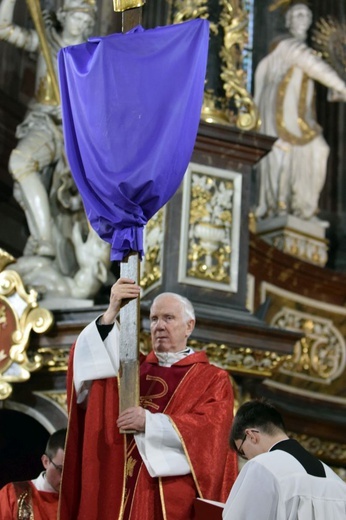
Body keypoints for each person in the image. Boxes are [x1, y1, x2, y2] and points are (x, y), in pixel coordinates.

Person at [59, 277, 237, 520]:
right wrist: (111, 311)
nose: (159, 326)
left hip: (169, 495)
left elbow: (212, 434)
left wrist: (149, 423)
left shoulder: (211, 379)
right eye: (154, 319)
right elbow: (89, 365)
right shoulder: (132, 369)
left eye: (168, 318)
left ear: (189, 326)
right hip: (119, 486)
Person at [0, 0, 96, 258]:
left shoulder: (90, 57)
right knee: (22, 181)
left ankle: (45, 241)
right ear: (63, 16)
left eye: (87, 22)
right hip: (41, 121)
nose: (82, 25)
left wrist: (70, 109)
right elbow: (3, 28)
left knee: (20, 163)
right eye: (78, 18)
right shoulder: (45, 43)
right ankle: (42, 236)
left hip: (69, 131)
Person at [254, 1, 346, 223]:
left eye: (306, 15)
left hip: (300, 117)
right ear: (287, 21)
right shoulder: (284, 45)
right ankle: (278, 207)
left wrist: (336, 89)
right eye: (297, 14)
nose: (302, 18)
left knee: (319, 149)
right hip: (278, 113)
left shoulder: (306, 51)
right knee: (280, 153)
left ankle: (305, 209)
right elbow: (313, 66)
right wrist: (342, 86)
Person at [223, 399, 346, 519]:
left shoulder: (261, 467)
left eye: (242, 451)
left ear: (251, 436)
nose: (248, 458)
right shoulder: (337, 483)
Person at [0, 428, 67, 519]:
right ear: (46, 461)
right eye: (61, 469)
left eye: (72, 473)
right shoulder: (13, 494)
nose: (66, 478)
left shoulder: (81, 502)